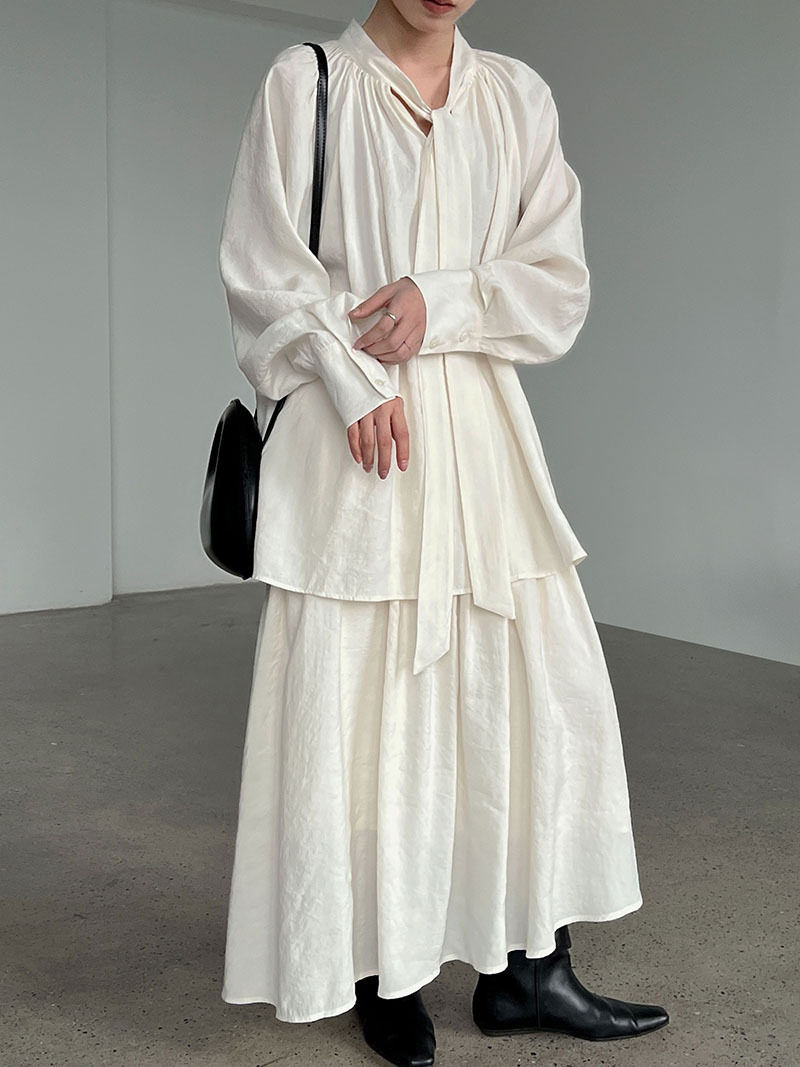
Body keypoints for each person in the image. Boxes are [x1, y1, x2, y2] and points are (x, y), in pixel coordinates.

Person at [217, 2, 670, 1064]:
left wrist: (444, 299)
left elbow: (555, 285)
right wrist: (352, 376)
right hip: (359, 449)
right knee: (364, 710)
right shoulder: (307, 84)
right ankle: (384, 968)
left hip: (481, 447)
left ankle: (528, 967)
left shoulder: (514, 97)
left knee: (526, 698)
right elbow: (264, 270)